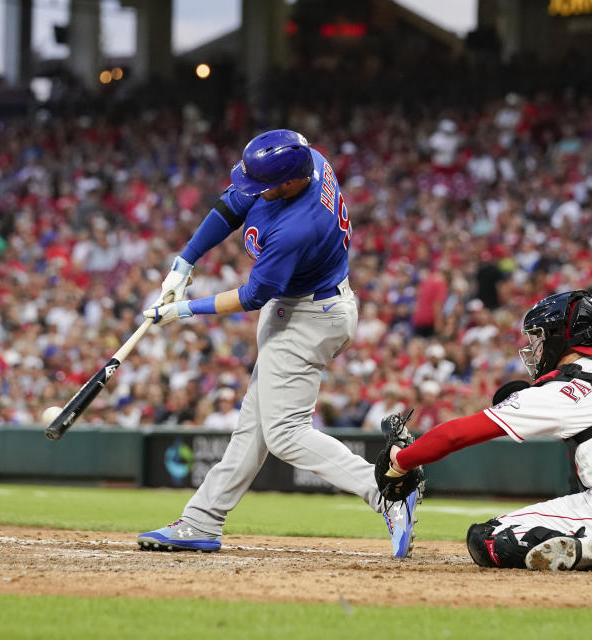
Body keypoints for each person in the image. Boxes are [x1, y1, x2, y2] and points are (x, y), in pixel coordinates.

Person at [136, 129, 420, 558]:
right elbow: (232, 205)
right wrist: (184, 262)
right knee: (254, 428)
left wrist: (183, 310)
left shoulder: (298, 227)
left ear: (290, 182)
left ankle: (388, 491)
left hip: (311, 317)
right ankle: (201, 520)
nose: (252, 189)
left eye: (263, 184)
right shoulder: (305, 161)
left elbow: (253, 295)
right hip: (301, 306)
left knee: (285, 434)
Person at [384, 290, 592, 571]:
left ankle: (589, 550)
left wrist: (402, 460)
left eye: (540, 337)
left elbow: (459, 434)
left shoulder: (562, 389)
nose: (535, 348)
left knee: (488, 537)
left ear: (561, 337)